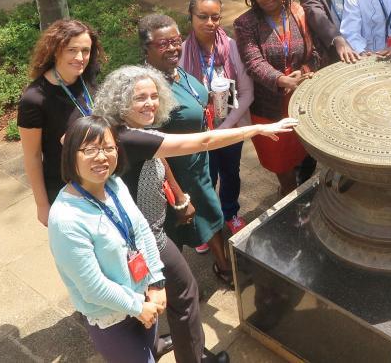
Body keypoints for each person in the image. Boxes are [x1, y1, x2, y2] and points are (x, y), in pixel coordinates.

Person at [96, 65, 295, 362]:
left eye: (154, 95)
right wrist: (258, 128)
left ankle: (169, 348)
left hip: (140, 232)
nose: (150, 103)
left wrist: (176, 195)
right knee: (185, 294)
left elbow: (158, 158)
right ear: (121, 102)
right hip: (145, 237)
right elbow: (202, 141)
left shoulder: (121, 130)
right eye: (140, 98)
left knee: (164, 296)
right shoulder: (129, 138)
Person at [48, 115, 165, 362]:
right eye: (90, 149)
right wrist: (137, 307)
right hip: (112, 320)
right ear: (71, 155)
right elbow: (92, 287)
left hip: (144, 297)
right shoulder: (65, 219)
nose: (101, 157)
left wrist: (156, 282)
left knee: (151, 352)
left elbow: (142, 229)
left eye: (108, 148)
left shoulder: (115, 184)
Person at [137, 14, 232, 285]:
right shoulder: (148, 88)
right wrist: (177, 195)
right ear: (146, 48)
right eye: (163, 43)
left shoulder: (176, 71)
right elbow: (154, 147)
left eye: (176, 41)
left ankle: (223, 265)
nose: (173, 48)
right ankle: (177, 287)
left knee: (212, 216)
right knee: (174, 231)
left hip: (198, 164)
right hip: (172, 174)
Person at [235, 0, 319, 196]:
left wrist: (303, 71)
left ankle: (303, 192)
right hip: (269, 107)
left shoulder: (298, 12)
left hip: (301, 100)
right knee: (282, 164)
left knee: (304, 151)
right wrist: (282, 80)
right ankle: (289, 200)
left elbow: (315, 53)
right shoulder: (245, 24)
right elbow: (253, 63)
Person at [18, 19, 107, 226]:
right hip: (66, 189)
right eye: (71, 50)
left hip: (101, 177)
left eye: (85, 50)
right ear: (56, 50)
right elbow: (32, 156)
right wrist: (42, 205)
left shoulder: (89, 77)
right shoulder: (34, 99)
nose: (80, 57)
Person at [180, 0, 255, 237]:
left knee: (231, 173)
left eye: (215, 17)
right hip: (200, 133)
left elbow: (246, 93)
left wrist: (227, 126)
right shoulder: (181, 54)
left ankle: (231, 213)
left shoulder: (232, 48)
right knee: (204, 179)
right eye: (202, 16)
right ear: (191, 18)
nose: (209, 23)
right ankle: (207, 225)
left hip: (229, 128)